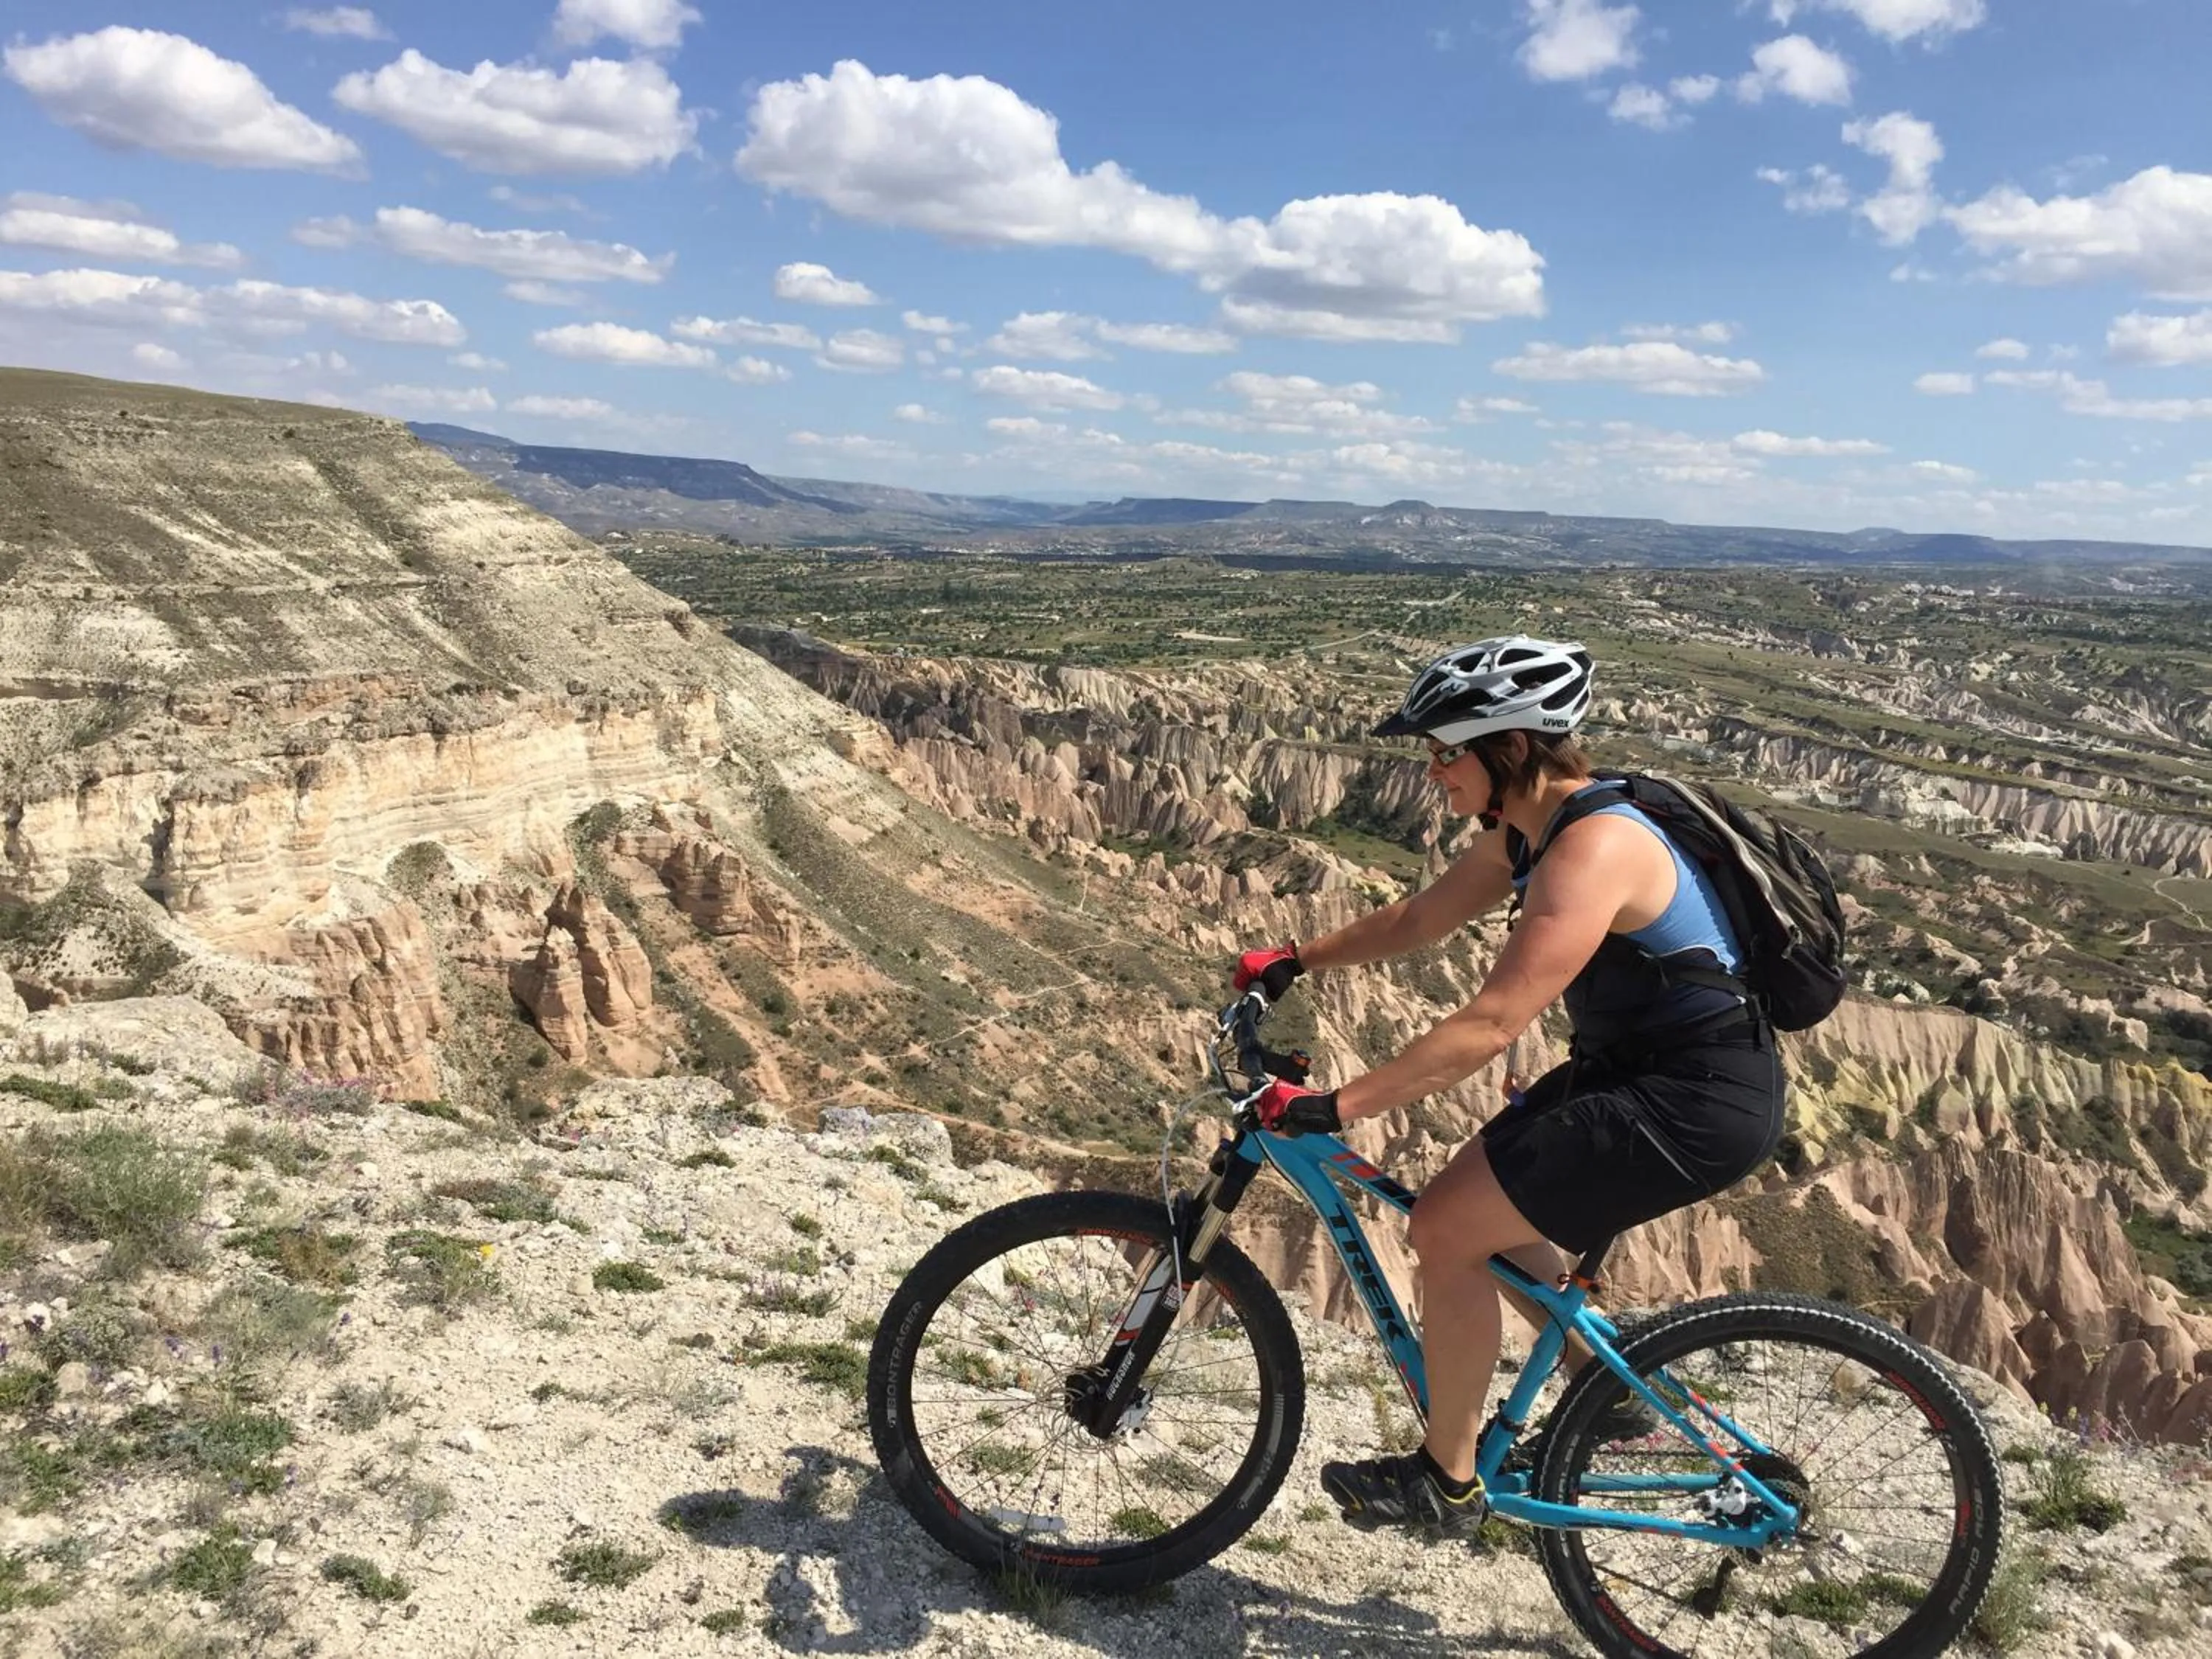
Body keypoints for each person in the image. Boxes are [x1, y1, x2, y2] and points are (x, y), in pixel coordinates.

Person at [1231, 635, 1786, 1534]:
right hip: (1640, 1074)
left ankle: (1443, 1482)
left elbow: (1492, 1025)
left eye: (1447, 751)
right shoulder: (1529, 830)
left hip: (1693, 1099)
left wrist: (1337, 1106)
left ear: (1512, 749)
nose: (1432, 772)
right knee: (1480, 1209)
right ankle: (1606, 1390)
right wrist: (1298, 957)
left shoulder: (1594, 849)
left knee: (1447, 1224)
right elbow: (1423, 917)